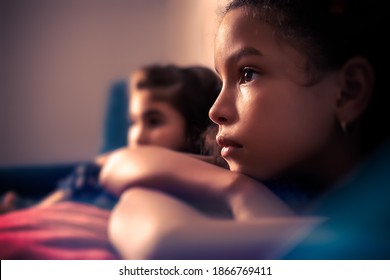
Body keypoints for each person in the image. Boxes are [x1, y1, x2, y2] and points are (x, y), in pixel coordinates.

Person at [100, 0, 390, 259]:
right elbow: (151, 227)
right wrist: (239, 191)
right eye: (221, 80)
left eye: (247, 74)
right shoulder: (249, 176)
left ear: (349, 91)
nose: (215, 111)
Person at [0, 64, 223, 212]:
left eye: (154, 121)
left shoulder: (201, 172)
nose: (138, 135)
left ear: (194, 128)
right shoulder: (117, 160)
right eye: (133, 122)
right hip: (65, 203)